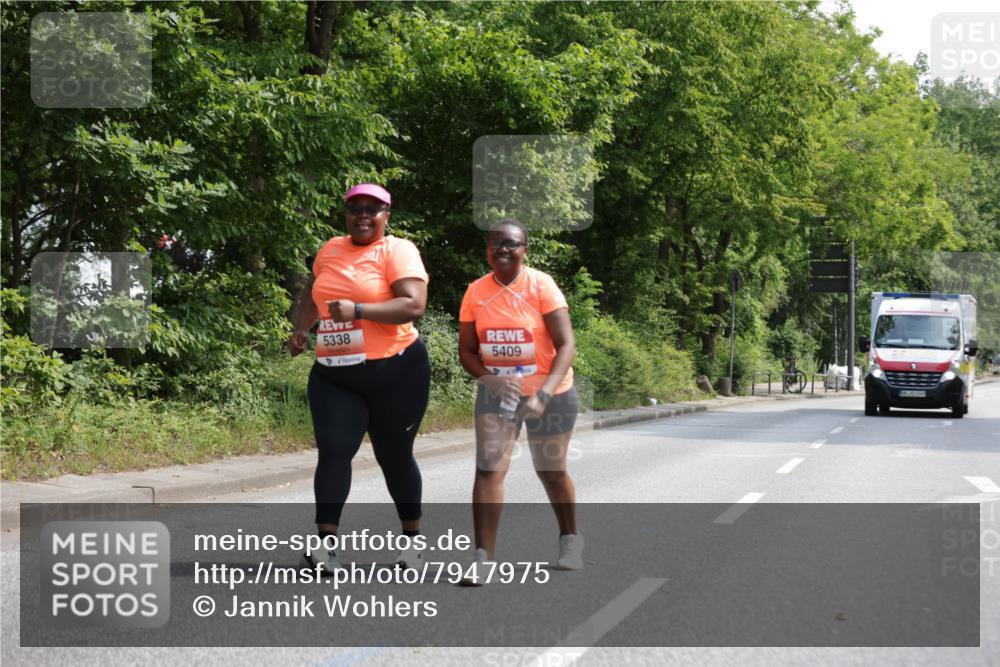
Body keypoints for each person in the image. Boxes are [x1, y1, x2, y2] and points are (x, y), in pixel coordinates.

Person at [287, 183, 431, 572]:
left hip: (396, 371)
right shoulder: (330, 249)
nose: (363, 215)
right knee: (334, 453)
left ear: (387, 215)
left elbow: (413, 305)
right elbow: (312, 291)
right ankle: (326, 547)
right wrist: (302, 328)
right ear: (346, 213)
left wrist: (360, 310)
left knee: (394, 456)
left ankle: (412, 542)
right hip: (335, 373)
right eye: (355, 208)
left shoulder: (397, 251)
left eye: (373, 209)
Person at [457, 218, 583, 583]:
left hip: (552, 392)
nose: (503, 249)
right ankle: (483, 558)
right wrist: (491, 382)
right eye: (496, 243)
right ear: (487, 251)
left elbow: (567, 345)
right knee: (488, 469)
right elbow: (466, 350)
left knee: (551, 472)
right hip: (499, 393)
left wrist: (542, 394)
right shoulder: (476, 292)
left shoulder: (541, 286)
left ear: (525, 249)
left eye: (512, 244)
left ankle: (570, 538)